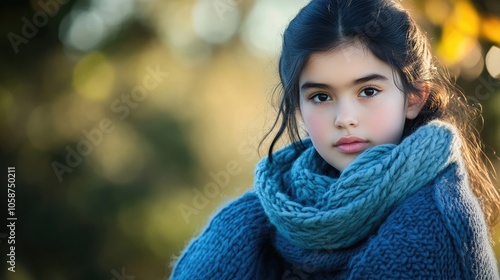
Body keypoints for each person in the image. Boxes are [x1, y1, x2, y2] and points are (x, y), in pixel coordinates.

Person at [171, 0, 500, 278]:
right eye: (320, 97)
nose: (345, 118)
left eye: (368, 91)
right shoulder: (260, 214)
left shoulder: (434, 225)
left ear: (414, 98)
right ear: (298, 108)